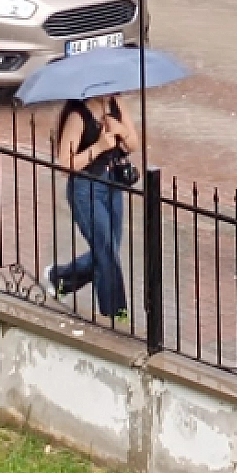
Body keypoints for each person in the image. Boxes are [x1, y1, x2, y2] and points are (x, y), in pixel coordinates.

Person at [42, 94, 139, 322]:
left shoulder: (116, 105)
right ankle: (115, 315)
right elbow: (65, 164)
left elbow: (133, 143)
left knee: (110, 248)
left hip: (112, 184)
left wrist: (120, 131)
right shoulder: (78, 116)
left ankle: (61, 278)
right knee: (106, 252)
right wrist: (99, 147)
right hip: (86, 190)